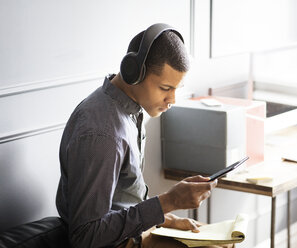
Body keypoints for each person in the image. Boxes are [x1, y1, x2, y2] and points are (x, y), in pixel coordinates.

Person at [56, 23, 233, 248]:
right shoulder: (101, 134)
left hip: (134, 235)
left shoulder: (129, 111)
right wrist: (168, 202)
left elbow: (122, 202)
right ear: (134, 73)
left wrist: (165, 219)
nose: (173, 100)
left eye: (176, 89)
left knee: (226, 243)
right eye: (165, 88)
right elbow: (85, 236)